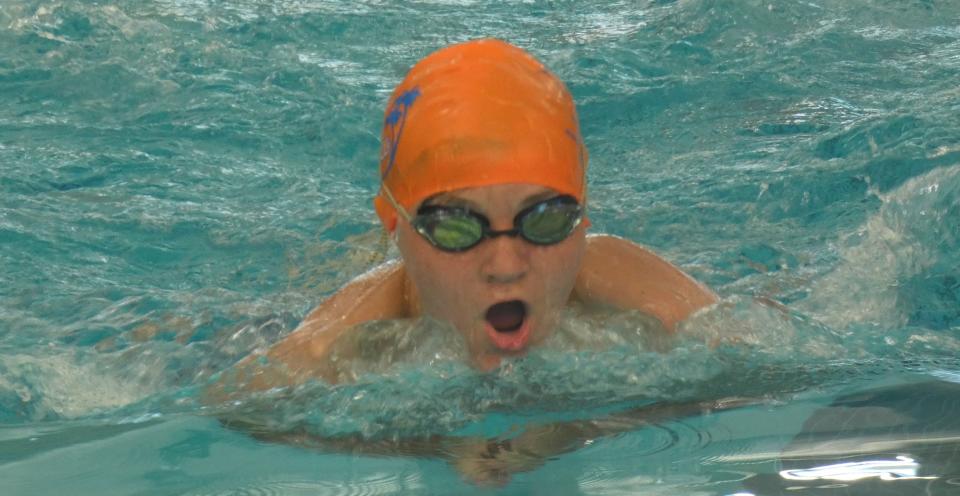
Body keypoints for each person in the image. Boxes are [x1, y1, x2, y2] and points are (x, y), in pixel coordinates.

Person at [213, 38, 717, 393]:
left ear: (583, 217)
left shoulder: (632, 292)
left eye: (543, 219)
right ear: (396, 225)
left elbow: (756, 349)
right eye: (456, 227)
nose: (505, 263)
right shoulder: (327, 355)